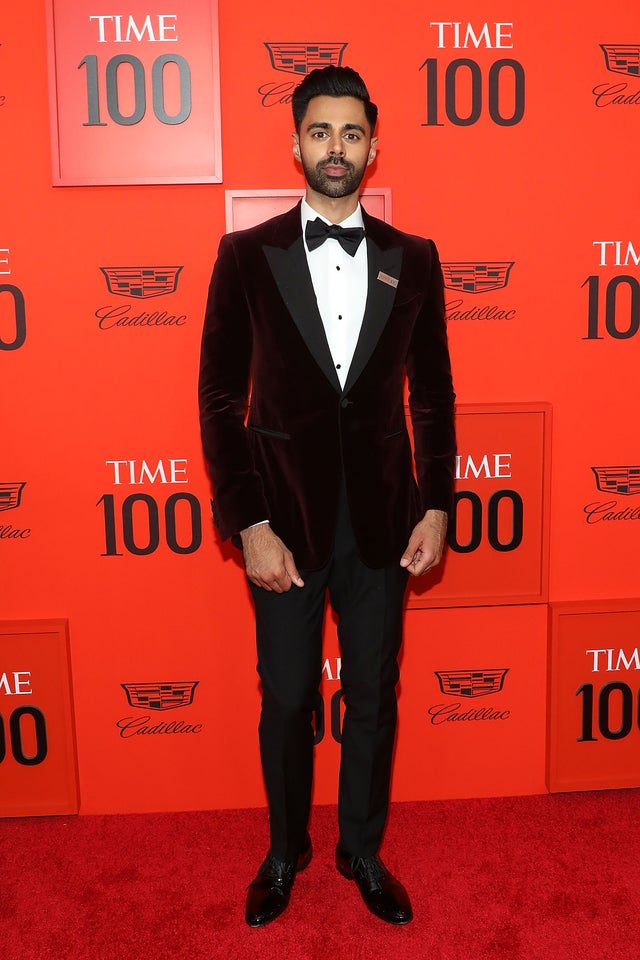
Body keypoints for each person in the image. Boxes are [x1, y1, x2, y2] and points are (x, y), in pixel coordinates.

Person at [198, 65, 456, 927]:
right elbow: (220, 400)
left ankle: (362, 848)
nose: (335, 148)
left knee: (374, 694)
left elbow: (433, 396)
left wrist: (435, 505)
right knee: (287, 698)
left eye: (351, 133)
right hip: (285, 523)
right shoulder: (246, 255)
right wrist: (248, 522)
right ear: (297, 144)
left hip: (384, 523)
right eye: (320, 132)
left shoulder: (413, 261)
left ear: (372, 147)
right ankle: (284, 850)